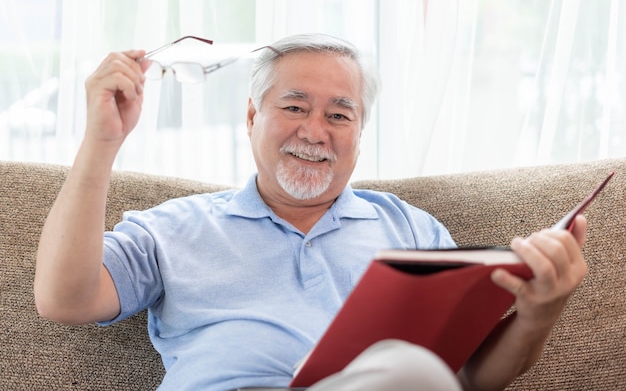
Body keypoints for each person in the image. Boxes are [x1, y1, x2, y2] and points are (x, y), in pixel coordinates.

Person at [34, 33, 588, 391]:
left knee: (414, 371)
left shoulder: (411, 229)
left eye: (340, 115)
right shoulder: (176, 227)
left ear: (360, 133)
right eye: (294, 106)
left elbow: (462, 378)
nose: (314, 131)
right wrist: (101, 142)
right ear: (252, 116)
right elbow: (65, 299)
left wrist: (538, 315)